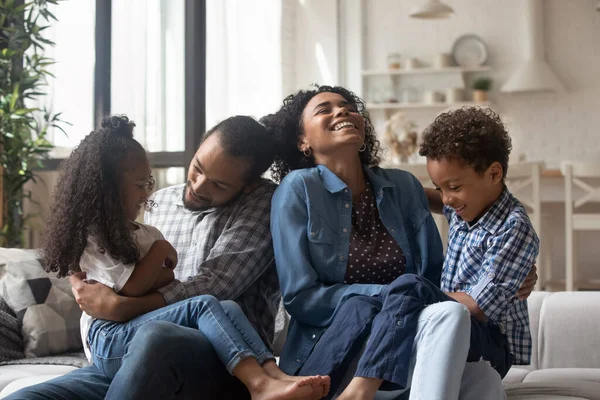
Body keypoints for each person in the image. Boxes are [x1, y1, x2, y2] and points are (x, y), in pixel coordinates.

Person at [261, 85, 538, 400]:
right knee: (374, 306)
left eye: (349, 106)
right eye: (324, 109)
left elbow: (437, 267)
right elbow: (301, 298)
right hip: (340, 343)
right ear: (302, 141)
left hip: (420, 333)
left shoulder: (404, 186)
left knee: (448, 321)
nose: (342, 111)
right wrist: (387, 295)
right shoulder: (297, 190)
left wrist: (513, 270)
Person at [6, 115, 296, 400]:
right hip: (131, 343)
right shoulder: (161, 203)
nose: (198, 186)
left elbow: (217, 285)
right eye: (197, 168)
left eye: (219, 185)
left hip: (217, 355)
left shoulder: (261, 202)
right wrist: (88, 286)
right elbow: (111, 263)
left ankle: (266, 379)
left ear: (248, 186)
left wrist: (121, 307)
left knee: (161, 335)